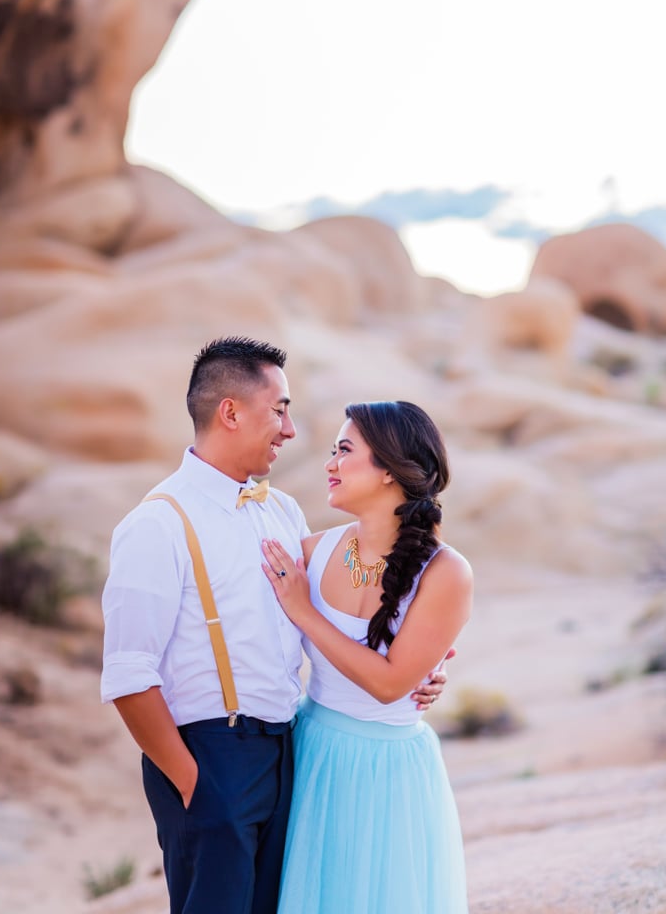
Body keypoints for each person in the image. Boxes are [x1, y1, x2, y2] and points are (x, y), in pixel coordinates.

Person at [100, 337, 449, 914]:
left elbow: (366, 592)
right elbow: (128, 675)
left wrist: (424, 663)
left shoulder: (282, 511)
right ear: (230, 412)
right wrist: (192, 783)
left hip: (291, 752)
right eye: (280, 409)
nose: (289, 431)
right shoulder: (156, 524)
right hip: (212, 756)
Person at [260, 399, 473, 914]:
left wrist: (303, 610)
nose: (330, 464)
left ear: (389, 471)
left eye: (345, 450)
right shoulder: (313, 552)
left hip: (388, 772)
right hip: (310, 752)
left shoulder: (445, 572)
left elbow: (388, 684)